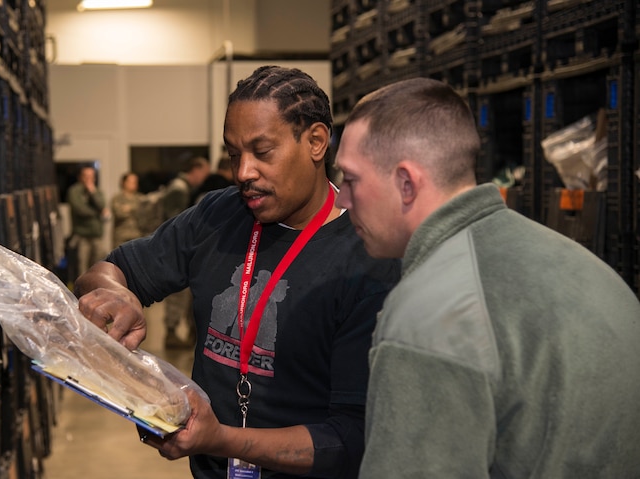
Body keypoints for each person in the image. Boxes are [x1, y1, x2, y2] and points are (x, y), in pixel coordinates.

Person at [74, 65, 400, 478]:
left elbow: (353, 439)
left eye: (262, 152)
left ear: (316, 142)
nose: (243, 172)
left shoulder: (365, 256)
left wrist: (219, 438)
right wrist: (116, 294)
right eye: (233, 154)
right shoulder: (219, 214)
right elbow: (108, 270)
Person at [333, 77, 640, 477]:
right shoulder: (584, 268)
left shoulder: (428, 315)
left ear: (406, 183)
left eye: (351, 179)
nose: (341, 197)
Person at [161, 156, 211, 349]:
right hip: (176, 249)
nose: (204, 178)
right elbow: (176, 221)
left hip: (179, 248)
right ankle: (171, 333)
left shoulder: (181, 187)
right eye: (203, 173)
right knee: (177, 293)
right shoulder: (179, 189)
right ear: (195, 170)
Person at [67, 165, 109, 278]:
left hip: (96, 235)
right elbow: (80, 210)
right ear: (80, 177)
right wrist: (99, 213)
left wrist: (93, 193)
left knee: (98, 266)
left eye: (91, 176)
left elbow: (102, 205)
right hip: (82, 236)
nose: (88, 179)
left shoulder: (97, 192)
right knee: (82, 267)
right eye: (85, 176)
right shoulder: (74, 191)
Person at [110, 172, 143, 246]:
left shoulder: (140, 198)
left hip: (137, 235)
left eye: (135, 182)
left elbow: (144, 214)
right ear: (123, 182)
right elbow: (119, 214)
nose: (134, 184)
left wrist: (130, 208)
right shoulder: (117, 198)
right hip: (121, 236)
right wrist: (135, 209)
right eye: (131, 181)